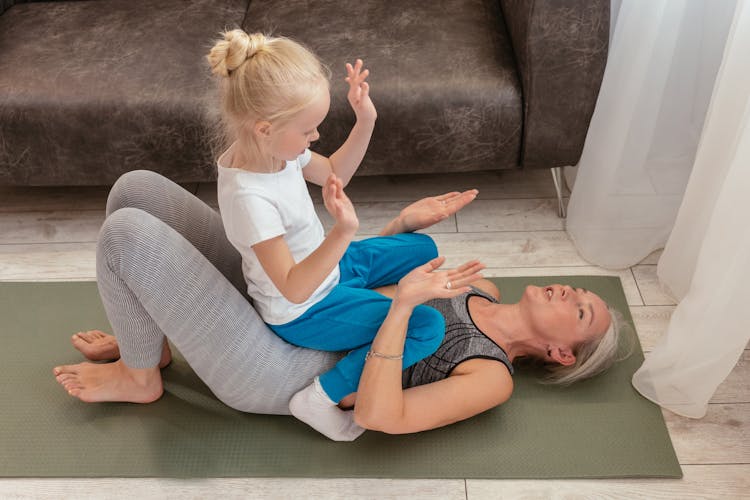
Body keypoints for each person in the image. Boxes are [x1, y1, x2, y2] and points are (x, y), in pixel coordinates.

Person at [52, 171, 627, 441]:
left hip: (289, 368)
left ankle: (139, 372)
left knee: (127, 235)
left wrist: (405, 310)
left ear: (559, 354)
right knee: (136, 190)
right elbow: (358, 281)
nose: (573, 292)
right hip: (304, 306)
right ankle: (147, 347)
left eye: (582, 312)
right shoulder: (486, 288)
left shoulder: (491, 376)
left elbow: (381, 416)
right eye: (581, 291)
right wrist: (402, 226)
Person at [205, 29, 480, 440]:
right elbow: (294, 289)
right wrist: (343, 230)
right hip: (304, 308)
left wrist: (365, 118)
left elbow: (335, 172)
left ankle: (370, 299)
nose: (315, 138)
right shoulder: (249, 198)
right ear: (264, 128)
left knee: (423, 246)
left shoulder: (279, 152)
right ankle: (320, 396)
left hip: (332, 267)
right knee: (427, 327)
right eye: (308, 129)